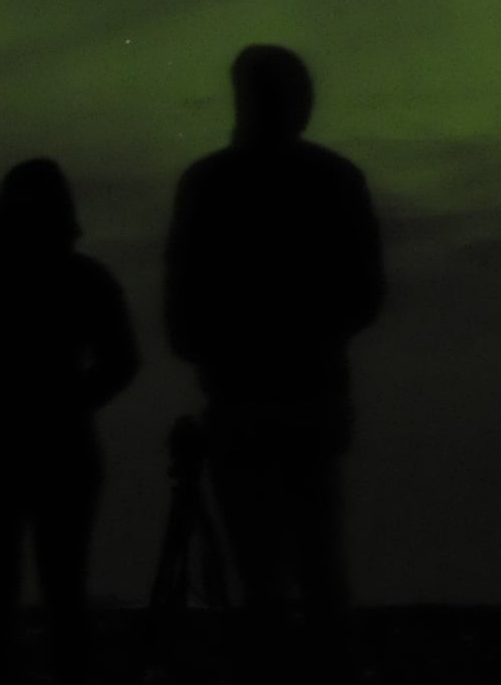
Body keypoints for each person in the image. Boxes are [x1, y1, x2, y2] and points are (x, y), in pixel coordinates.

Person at [162, 45, 385, 667]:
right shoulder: (335, 179)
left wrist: (222, 347)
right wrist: (310, 334)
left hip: (241, 399)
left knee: (261, 578)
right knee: (318, 570)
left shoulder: (207, 183)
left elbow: (180, 309)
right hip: (310, 396)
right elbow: (367, 296)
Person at [0, 156, 143, 683]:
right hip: (56, 447)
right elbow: (122, 361)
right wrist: (74, 400)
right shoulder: (85, 278)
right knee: (62, 591)